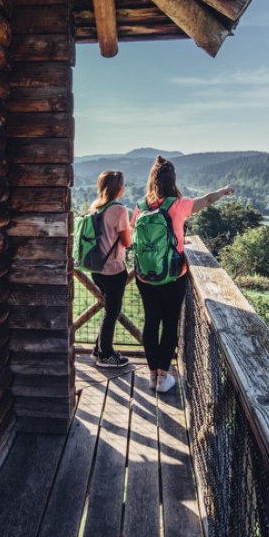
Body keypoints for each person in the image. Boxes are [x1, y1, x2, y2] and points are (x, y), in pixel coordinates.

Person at [133, 156, 233, 392]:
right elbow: (207, 200)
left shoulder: (141, 206)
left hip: (144, 275)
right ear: (172, 180)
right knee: (169, 324)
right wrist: (223, 191)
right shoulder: (178, 205)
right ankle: (163, 377)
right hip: (172, 276)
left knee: (151, 322)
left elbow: (134, 235)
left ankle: (151, 373)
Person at [88, 170, 132, 368]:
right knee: (112, 312)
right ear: (118, 188)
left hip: (96, 268)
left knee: (108, 310)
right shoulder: (120, 210)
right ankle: (105, 355)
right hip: (114, 268)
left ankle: (98, 350)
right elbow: (126, 241)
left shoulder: (95, 207)